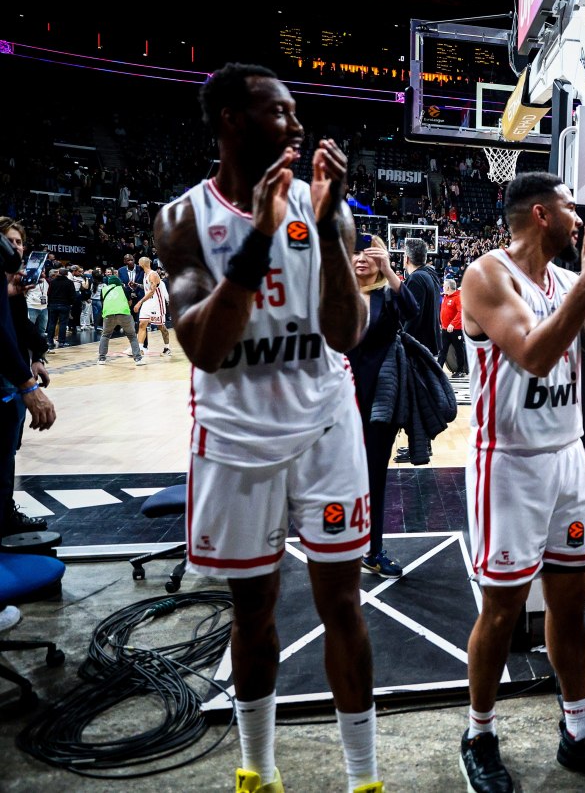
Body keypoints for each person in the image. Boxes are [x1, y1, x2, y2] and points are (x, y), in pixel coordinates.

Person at [154, 63, 382, 793]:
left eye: (295, 112)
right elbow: (205, 346)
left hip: (323, 428)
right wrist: (258, 234)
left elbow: (345, 333)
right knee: (251, 612)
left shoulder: (325, 207)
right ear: (231, 119)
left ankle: (365, 778)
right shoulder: (183, 219)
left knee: (343, 604)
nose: (296, 124)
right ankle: (257, 769)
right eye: (279, 112)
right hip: (237, 438)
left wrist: (330, 225)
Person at [459, 172, 585, 793]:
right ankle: (479, 735)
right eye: (571, 208)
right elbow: (534, 354)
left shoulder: (572, 282)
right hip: (509, 463)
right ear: (541, 214)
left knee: (570, 605)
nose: (581, 220)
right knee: (502, 610)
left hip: (566, 457)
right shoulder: (486, 275)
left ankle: (579, 732)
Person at [348, 235, 417, 580]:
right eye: (356, 252)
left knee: (374, 477)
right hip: (338, 403)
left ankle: (373, 551)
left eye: (369, 252)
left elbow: (413, 311)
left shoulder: (387, 296)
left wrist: (390, 270)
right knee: (336, 478)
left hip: (377, 405)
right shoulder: (336, 294)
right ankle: (337, 546)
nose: (362, 258)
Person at [0, 218, 54, 538]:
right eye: (10, 241)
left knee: (9, 450)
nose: (16, 248)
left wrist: (37, 358)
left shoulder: (14, 287)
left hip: (16, 370)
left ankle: (5, 512)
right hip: (8, 377)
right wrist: (28, 385)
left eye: (20, 242)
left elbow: (20, 328)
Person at [400, 237, 442, 359]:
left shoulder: (416, 278)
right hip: (429, 346)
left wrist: (402, 343)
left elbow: (413, 316)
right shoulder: (431, 273)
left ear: (407, 258)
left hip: (417, 349)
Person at [96, 275, 146, 366]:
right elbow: (130, 302)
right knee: (132, 336)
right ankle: (138, 359)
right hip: (124, 314)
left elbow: (103, 302)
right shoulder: (124, 289)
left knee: (105, 335)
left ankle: (101, 358)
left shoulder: (104, 289)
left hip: (108, 315)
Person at [133, 256, 173, 356]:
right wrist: (137, 285)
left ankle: (167, 347)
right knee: (142, 324)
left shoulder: (153, 275)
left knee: (161, 327)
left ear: (142, 264)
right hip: (147, 303)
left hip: (156, 304)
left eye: (139, 263)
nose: (138, 264)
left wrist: (139, 302)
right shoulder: (145, 274)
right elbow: (147, 288)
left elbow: (152, 291)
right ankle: (140, 349)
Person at [438, 277, 467, 376]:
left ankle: (460, 371)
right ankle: (438, 369)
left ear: (448, 287)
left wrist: (453, 324)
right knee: (442, 350)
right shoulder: (445, 297)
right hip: (445, 329)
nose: (443, 287)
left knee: (458, 350)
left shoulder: (458, 297)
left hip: (456, 329)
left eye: (444, 286)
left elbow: (460, 312)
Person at [46, 267, 77, 349]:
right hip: (65, 305)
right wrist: (71, 303)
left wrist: (50, 303)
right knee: (63, 324)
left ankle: (49, 341)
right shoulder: (69, 282)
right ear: (66, 274)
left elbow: (49, 293)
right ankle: (61, 342)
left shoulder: (53, 282)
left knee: (52, 323)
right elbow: (73, 295)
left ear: (59, 273)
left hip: (53, 304)